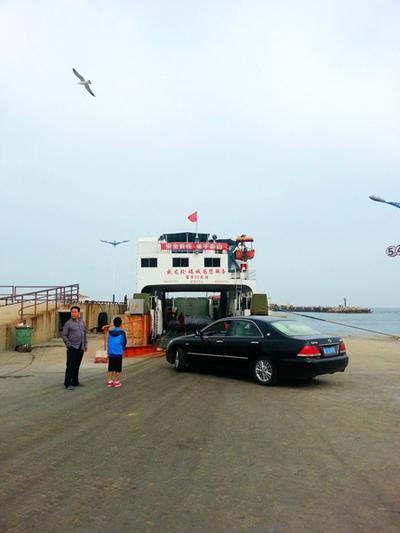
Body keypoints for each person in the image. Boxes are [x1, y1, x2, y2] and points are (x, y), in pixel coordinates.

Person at [62, 306, 87, 390]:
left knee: (77, 365)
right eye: (72, 312)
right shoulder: (68, 323)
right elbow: (64, 335)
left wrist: (85, 344)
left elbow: (84, 334)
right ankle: (67, 383)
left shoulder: (82, 322)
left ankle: (75, 381)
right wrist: (69, 345)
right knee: (70, 366)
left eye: (75, 312)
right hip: (72, 347)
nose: (73, 314)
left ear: (78, 313)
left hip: (80, 347)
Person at [107, 316, 127, 388]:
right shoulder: (122, 333)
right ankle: (117, 382)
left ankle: (109, 381)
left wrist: (108, 352)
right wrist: (122, 349)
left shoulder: (110, 333)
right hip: (118, 353)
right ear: (121, 324)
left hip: (111, 353)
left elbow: (108, 342)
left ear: (114, 324)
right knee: (118, 368)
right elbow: (124, 342)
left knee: (111, 367)